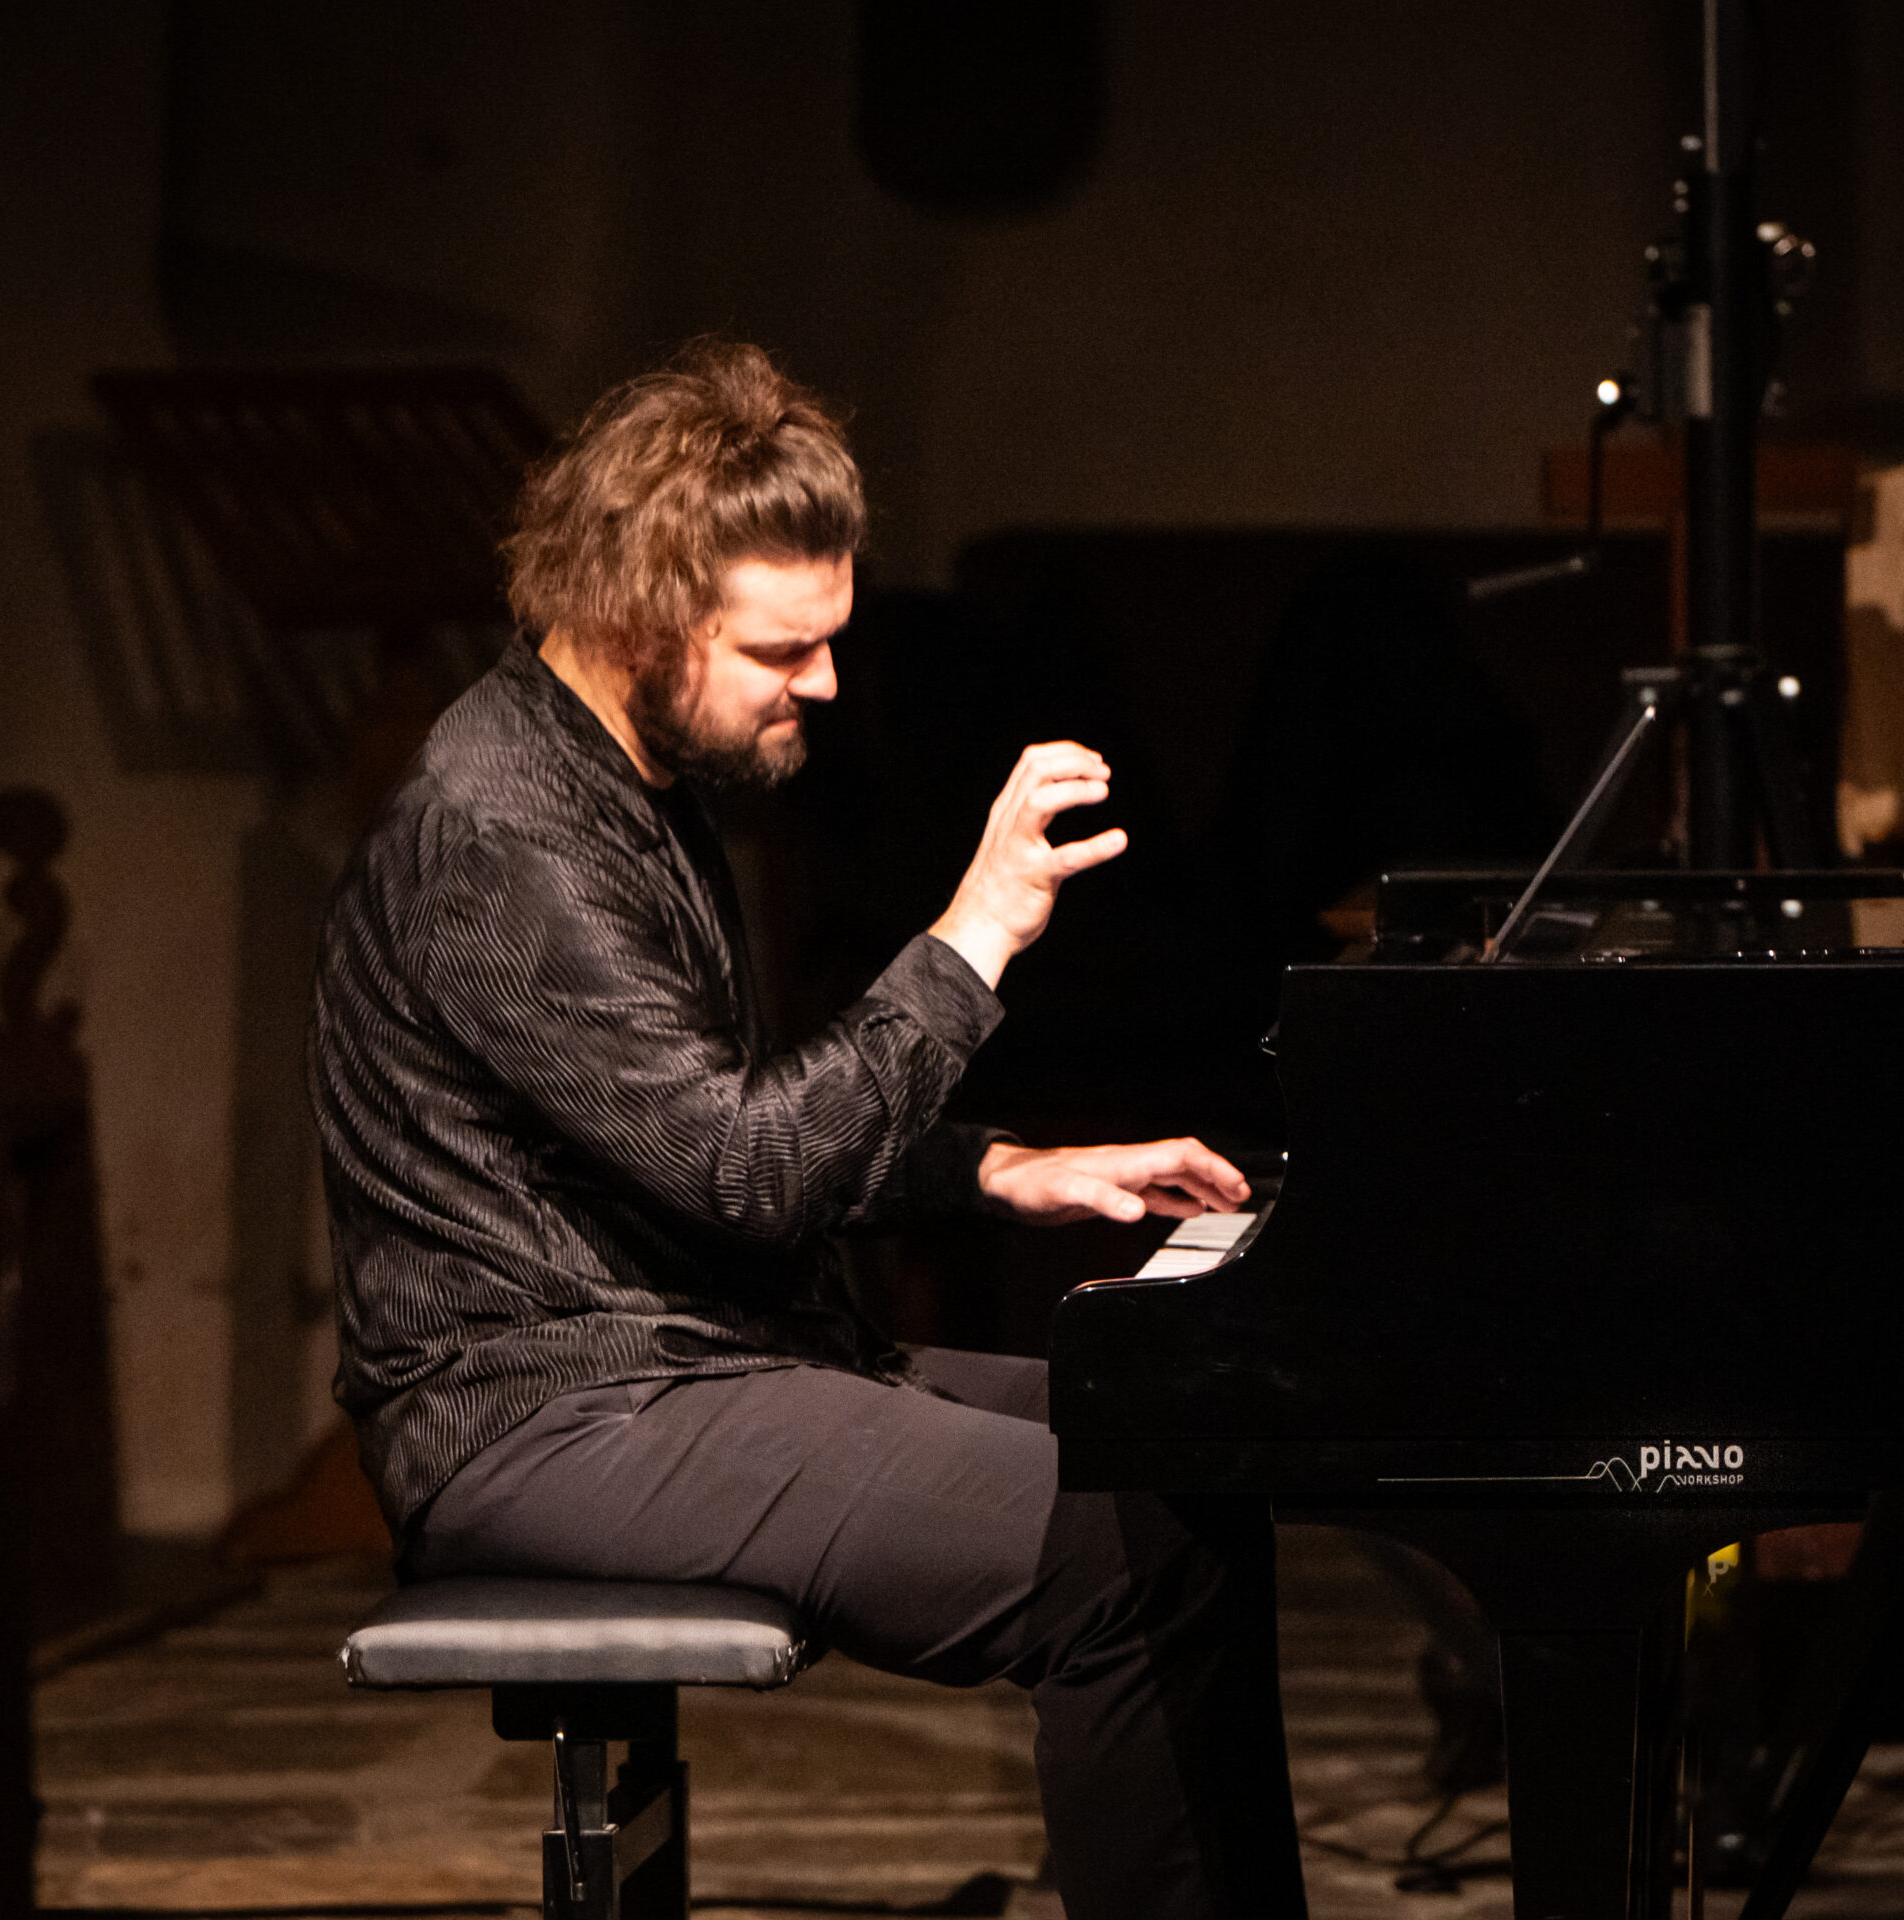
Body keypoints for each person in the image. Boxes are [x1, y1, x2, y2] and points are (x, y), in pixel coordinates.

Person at [309, 340, 1307, 1918]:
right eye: (785, 650)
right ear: (640, 618)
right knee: (1110, 1550)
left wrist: (996, 1168)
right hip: (542, 1416)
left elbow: (704, 1124)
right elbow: (748, 1170)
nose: (828, 684)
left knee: (1182, 1456)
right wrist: (974, 936)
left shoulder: (623, 778)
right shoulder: (507, 836)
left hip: (685, 1356)